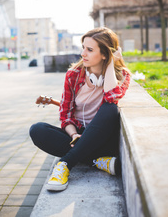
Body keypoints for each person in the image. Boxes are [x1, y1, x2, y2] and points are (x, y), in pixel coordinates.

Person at [29, 27, 131, 192]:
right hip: (77, 135)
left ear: (105, 54)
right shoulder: (73, 75)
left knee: (110, 108)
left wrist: (111, 63)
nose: (83, 53)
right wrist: (74, 134)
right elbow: (66, 116)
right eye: (83, 47)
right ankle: (97, 161)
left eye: (89, 50)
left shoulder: (122, 76)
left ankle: (65, 164)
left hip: (103, 139)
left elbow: (112, 97)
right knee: (37, 130)